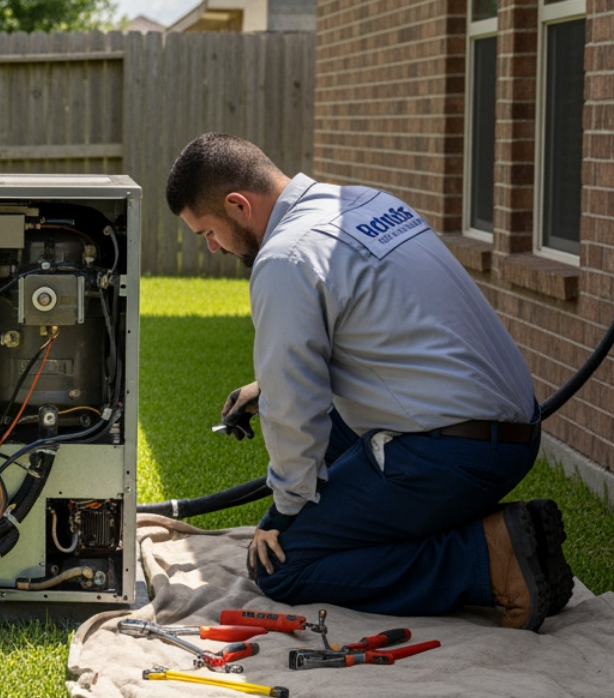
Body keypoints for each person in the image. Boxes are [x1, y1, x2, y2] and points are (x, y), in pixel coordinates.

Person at [165, 133, 572, 630]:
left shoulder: (285, 258)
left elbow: (294, 411)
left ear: (237, 205)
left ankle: (485, 559)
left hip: (455, 454)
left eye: (207, 232)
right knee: (323, 465)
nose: (212, 247)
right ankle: (496, 537)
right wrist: (265, 387)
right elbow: (385, 331)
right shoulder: (368, 203)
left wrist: (283, 514)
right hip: (510, 431)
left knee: (282, 566)